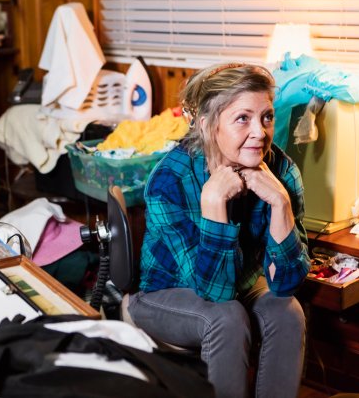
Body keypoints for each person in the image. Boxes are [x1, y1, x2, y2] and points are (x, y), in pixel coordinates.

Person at [127, 63, 311, 398]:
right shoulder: (171, 179)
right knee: (225, 317)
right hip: (162, 295)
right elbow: (214, 292)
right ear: (209, 125)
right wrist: (213, 205)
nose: (260, 132)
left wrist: (281, 204)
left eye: (266, 117)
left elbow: (288, 283)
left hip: (239, 285)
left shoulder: (281, 171)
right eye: (243, 118)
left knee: (288, 312)